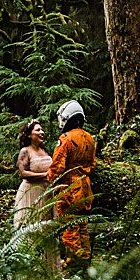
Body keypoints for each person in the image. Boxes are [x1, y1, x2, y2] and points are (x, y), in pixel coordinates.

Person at [46, 99, 97, 267]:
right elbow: (93, 164)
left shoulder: (66, 139)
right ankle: (85, 261)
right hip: (86, 187)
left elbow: (57, 167)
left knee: (69, 227)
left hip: (69, 188)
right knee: (82, 226)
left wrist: (49, 182)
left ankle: (73, 264)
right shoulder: (89, 138)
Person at [13, 119, 52, 228]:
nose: (42, 132)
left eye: (42, 130)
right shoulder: (25, 151)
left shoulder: (44, 150)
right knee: (31, 224)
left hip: (46, 191)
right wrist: (45, 175)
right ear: (30, 135)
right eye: (38, 130)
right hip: (30, 191)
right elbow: (23, 173)